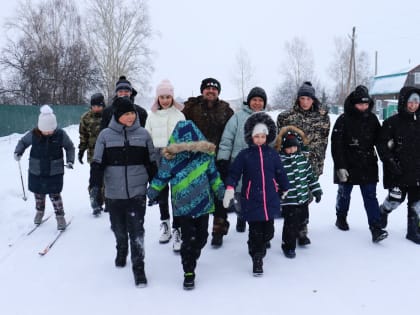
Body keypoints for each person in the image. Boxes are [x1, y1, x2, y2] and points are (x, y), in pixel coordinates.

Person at [147, 120, 225, 290]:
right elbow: (161, 177)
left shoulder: (205, 157)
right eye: (183, 146)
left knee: (202, 238)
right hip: (182, 208)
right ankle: (188, 270)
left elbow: (214, 176)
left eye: (191, 145)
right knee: (188, 241)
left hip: (203, 205)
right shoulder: (172, 160)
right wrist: (153, 191)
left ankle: (193, 254)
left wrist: (221, 191)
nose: (188, 149)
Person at [89, 97, 157, 287]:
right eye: (126, 113)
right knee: (119, 229)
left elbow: (151, 163)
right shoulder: (105, 136)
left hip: (137, 192)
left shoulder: (143, 135)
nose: (130, 116)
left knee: (137, 231)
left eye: (132, 113)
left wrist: (156, 187)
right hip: (114, 193)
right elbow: (97, 164)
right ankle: (121, 247)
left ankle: (139, 268)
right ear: (117, 115)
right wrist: (95, 187)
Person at [223, 112, 290, 276]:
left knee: (269, 232)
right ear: (251, 137)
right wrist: (230, 188)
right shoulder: (244, 155)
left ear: (267, 137)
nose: (260, 139)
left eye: (263, 136)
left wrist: (285, 187)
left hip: (270, 198)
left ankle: (262, 244)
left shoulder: (273, 154)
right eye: (256, 136)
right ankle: (257, 258)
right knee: (255, 232)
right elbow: (234, 173)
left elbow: (280, 173)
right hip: (252, 199)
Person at [331, 85, 388, 243]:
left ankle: (376, 228)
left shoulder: (372, 119)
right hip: (347, 164)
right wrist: (340, 167)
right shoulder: (343, 120)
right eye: (360, 104)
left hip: (367, 163)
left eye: (366, 104)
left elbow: (380, 140)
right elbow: (336, 145)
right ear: (353, 103)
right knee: (344, 194)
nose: (364, 107)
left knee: (370, 196)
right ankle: (340, 217)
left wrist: (387, 152)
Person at [276, 81, 330, 246]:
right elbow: (280, 141)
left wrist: (319, 162)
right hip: (292, 163)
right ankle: (293, 230)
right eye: (302, 98)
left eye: (308, 98)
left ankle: (302, 229)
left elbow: (324, 141)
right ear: (298, 99)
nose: (305, 101)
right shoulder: (286, 117)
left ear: (313, 100)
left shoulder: (322, 117)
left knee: (307, 197)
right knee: (294, 198)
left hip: (313, 163)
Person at [182, 77, 234, 247]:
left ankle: (218, 230)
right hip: (197, 161)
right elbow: (179, 124)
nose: (210, 91)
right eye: (207, 88)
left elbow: (232, 133)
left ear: (218, 92)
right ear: (202, 90)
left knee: (220, 196)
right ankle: (197, 228)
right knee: (199, 195)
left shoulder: (226, 109)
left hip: (219, 160)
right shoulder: (191, 107)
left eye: (214, 89)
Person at [14, 105, 75, 230]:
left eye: (50, 130)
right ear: (40, 127)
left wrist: (70, 161)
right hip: (37, 170)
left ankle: (60, 216)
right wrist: (18, 152)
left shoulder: (60, 134)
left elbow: (69, 147)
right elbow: (23, 142)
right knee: (39, 194)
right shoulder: (34, 134)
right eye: (45, 130)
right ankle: (39, 212)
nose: (47, 132)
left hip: (55, 170)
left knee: (55, 195)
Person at [217, 87, 267, 233]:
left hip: (259, 166)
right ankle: (241, 216)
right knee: (239, 197)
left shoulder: (266, 119)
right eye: (254, 100)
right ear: (249, 101)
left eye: (260, 100)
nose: (257, 103)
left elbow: (272, 143)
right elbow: (227, 139)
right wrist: (223, 160)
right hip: (239, 164)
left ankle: (258, 230)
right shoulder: (237, 117)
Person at [376, 86, 420, 244]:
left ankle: (413, 231)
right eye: (410, 102)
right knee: (396, 199)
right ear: (403, 102)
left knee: (417, 203)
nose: (413, 105)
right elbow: (381, 145)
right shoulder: (392, 123)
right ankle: (383, 211)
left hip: (417, 171)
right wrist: (390, 162)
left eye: (417, 102)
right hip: (398, 170)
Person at [145, 79, 185, 251]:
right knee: (162, 194)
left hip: (176, 157)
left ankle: (178, 229)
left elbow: (185, 137)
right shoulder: (152, 116)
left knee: (177, 195)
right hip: (158, 158)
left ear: (172, 97)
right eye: (162, 97)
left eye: (168, 96)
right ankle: (165, 225)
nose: (165, 100)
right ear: (157, 98)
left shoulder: (179, 115)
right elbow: (147, 137)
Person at [275, 126, 322, 258]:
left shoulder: (302, 160)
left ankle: (301, 235)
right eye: (288, 148)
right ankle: (288, 245)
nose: (291, 150)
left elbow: (310, 177)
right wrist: (277, 194)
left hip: (302, 199)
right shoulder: (279, 162)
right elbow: (275, 181)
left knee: (303, 219)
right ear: (283, 148)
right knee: (290, 224)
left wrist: (316, 191)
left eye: (294, 147)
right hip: (288, 200)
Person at [78, 92, 106, 216]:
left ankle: (108, 201)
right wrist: (81, 150)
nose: (96, 108)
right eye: (94, 106)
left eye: (99, 106)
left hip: (108, 153)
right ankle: (96, 202)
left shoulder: (108, 115)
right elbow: (83, 135)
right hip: (93, 154)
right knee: (95, 179)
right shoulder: (86, 117)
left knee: (108, 179)